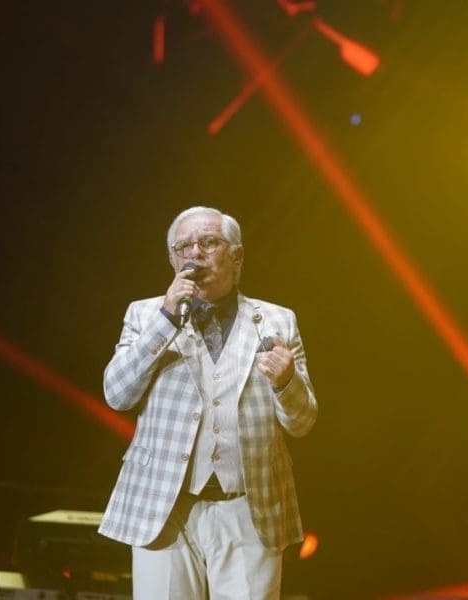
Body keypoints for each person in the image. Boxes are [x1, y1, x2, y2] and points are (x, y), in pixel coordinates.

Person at [98, 206, 318, 599]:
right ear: (172, 261)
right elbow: (117, 394)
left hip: (249, 508)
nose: (194, 254)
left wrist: (286, 381)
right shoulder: (146, 314)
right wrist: (166, 319)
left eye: (208, 243)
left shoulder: (277, 321)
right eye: (183, 247)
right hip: (164, 507)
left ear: (237, 255)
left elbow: (301, 423)